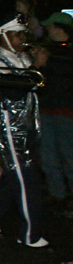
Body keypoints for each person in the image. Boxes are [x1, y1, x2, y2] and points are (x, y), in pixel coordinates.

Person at [0, 16, 48, 247]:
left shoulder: (22, 58)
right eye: (18, 35)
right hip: (9, 130)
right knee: (27, 179)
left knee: (14, 175)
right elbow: (14, 91)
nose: (23, 39)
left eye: (23, 34)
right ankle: (30, 235)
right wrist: (36, 66)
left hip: (26, 127)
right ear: (3, 37)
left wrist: (36, 63)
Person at [36, 12, 73, 209]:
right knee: (48, 154)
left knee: (69, 155)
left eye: (50, 27)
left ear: (59, 28)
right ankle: (56, 193)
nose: (47, 30)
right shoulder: (48, 50)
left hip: (66, 110)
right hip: (46, 108)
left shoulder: (66, 52)